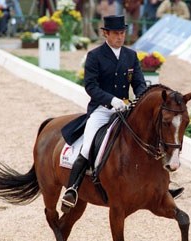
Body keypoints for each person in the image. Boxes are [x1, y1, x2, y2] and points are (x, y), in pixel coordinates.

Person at [61, 14, 184, 212]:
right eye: (116, 33)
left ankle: (163, 187)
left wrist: (140, 99)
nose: (120, 37)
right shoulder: (95, 56)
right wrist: (111, 100)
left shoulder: (130, 55)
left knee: (153, 139)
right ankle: (73, 189)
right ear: (106, 34)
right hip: (102, 110)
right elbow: (91, 86)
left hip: (125, 109)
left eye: (122, 33)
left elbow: (139, 83)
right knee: (87, 146)